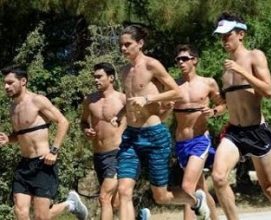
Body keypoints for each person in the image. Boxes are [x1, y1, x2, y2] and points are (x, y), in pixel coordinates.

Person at [117, 25, 210, 220]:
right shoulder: (124, 70)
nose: (123, 49)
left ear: (140, 44)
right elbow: (130, 99)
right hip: (131, 137)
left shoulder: (152, 65)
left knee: (161, 196)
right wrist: (119, 114)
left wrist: (149, 99)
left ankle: (195, 202)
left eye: (128, 44)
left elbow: (177, 92)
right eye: (121, 45)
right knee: (124, 190)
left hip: (154, 136)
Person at [211, 12, 271, 220]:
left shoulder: (255, 56)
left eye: (228, 35)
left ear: (241, 34)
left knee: (269, 188)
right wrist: (218, 109)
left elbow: (268, 91)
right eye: (221, 36)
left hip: (256, 131)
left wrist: (242, 71)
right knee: (218, 178)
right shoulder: (225, 71)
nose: (224, 40)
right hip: (234, 132)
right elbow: (231, 102)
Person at [0, 66, 88, 220]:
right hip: (24, 165)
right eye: (4, 83)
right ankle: (70, 204)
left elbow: (63, 122)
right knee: (20, 212)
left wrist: (54, 151)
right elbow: (19, 135)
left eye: (10, 82)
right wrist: (9, 139)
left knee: (41, 217)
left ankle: (70, 205)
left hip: (43, 164)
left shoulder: (37, 100)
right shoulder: (13, 108)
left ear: (23, 81)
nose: (6, 86)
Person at [172, 44, 225, 220]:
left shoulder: (208, 83)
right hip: (181, 142)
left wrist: (214, 112)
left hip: (199, 141)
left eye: (184, 58)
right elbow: (161, 108)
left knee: (188, 188)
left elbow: (223, 104)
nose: (180, 62)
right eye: (178, 59)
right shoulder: (173, 86)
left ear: (194, 60)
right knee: (199, 188)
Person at [80, 62, 126, 220]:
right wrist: (86, 129)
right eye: (94, 77)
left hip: (117, 153)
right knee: (114, 203)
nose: (96, 80)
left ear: (111, 78)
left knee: (104, 197)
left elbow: (137, 122)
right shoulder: (90, 100)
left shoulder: (122, 99)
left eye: (99, 76)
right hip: (98, 155)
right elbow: (83, 121)